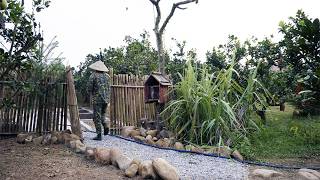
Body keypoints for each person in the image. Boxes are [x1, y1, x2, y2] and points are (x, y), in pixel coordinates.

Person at [87, 61, 110, 140]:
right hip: (106, 99)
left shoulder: (93, 76)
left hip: (97, 99)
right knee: (103, 115)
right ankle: (105, 126)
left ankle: (99, 135)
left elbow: (89, 88)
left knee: (96, 117)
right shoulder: (107, 76)